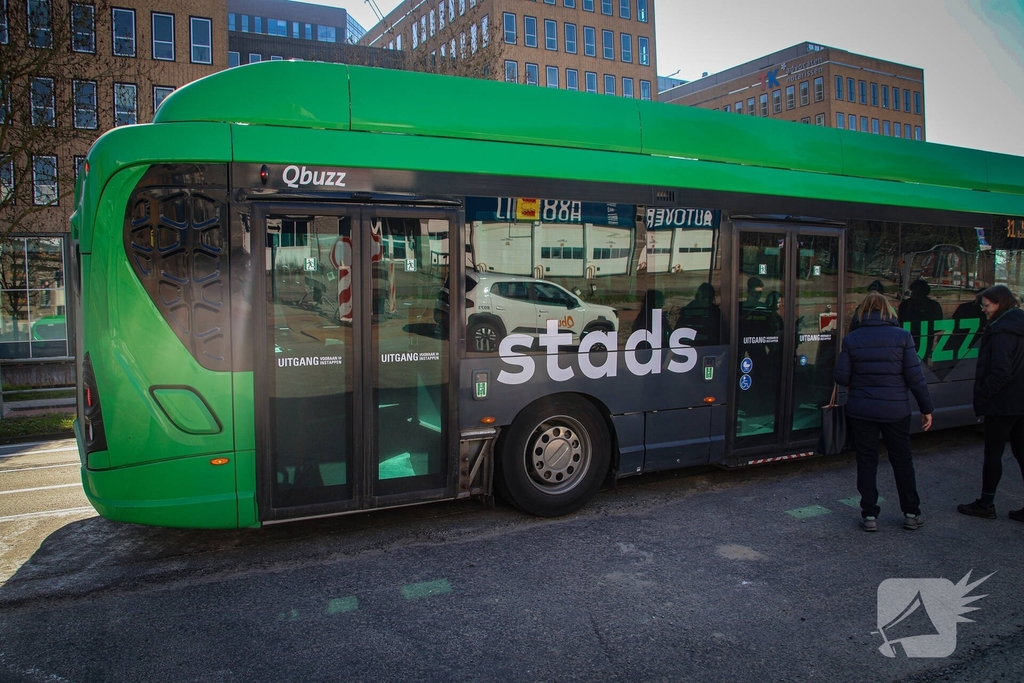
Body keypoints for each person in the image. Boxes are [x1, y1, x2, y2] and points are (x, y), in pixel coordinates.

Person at [835, 292, 934, 532]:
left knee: (867, 461)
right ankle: (911, 513)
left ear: (862, 312)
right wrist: (926, 409)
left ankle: (869, 515)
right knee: (902, 461)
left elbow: (841, 377)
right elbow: (916, 378)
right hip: (895, 410)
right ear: (889, 311)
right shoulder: (903, 337)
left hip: (861, 410)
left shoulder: (852, 339)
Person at [956, 285, 1024, 522]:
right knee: (1021, 452)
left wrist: (984, 394)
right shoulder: (1019, 324)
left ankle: (986, 504)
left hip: (1003, 403)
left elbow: (1001, 371)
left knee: (993, 453)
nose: (983, 310)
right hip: (1021, 401)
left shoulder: (1001, 331)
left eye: (986, 305)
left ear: (999, 303)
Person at [898, 279, 944, 361]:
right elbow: (900, 322)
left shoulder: (933, 306)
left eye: (917, 292)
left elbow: (938, 325)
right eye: (913, 291)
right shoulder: (905, 305)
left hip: (924, 340)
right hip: (910, 339)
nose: (914, 294)